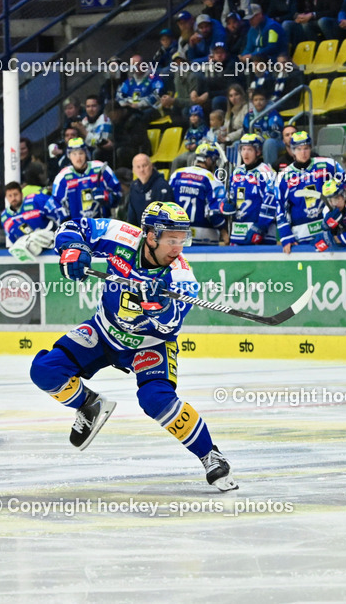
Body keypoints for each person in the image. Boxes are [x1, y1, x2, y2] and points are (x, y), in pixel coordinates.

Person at [31, 202, 237, 491]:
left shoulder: (181, 276)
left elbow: (170, 327)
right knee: (44, 371)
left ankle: (209, 454)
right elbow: (73, 227)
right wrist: (74, 248)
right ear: (151, 236)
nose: (178, 248)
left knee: (155, 400)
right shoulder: (121, 236)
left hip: (149, 345)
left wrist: (159, 307)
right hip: (104, 331)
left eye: (182, 239)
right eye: (171, 239)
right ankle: (88, 405)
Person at [275, 131, 346, 253]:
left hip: (329, 231)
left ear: (310, 148)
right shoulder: (283, 176)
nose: (303, 153)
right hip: (300, 235)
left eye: (306, 148)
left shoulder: (328, 165)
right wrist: (286, 235)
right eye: (299, 149)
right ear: (292, 151)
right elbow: (281, 208)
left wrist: (341, 212)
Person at [169, 143, 230, 246]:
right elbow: (213, 212)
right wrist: (225, 234)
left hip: (178, 235)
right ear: (209, 160)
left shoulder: (176, 175)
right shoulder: (212, 180)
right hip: (204, 236)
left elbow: (167, 202)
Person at [52, 138, 123, 222]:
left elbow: (118, 194)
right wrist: (68, 223)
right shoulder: (62, 177)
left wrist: (107, 197)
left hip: (103, 223)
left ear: (86, 153)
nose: (78, 158)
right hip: (78, 226)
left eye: (81, 153)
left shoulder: (101, 168)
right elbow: (56, 203)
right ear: (69, 156)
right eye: (74, 154)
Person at [227, 134, 278, 245]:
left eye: (249, 149)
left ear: (258, 152)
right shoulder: (236, 171)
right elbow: (230, 196)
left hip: (262, 234)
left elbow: (272, 202)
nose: (245, 153)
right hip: (238, 232)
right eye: (243, 149)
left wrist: (261, 226)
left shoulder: (267, 172)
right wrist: (225, 204)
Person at [0, 181, 62, 261]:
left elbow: (56, 210)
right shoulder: (4, 217)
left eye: (15, 194)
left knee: (35, 237)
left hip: (48, 238)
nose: (13, 198)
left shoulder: (34, 200)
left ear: (21, 194)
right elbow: (12, 239)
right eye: (10, 196)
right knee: (22, 243)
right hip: (27, 247)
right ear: (6, 197)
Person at [127, 154, 174, 228]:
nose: (142, 170)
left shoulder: (162, 186)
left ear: (151, 166)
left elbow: (166, 217)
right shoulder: (134, 187)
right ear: (133, 170)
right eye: (138, 167)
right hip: (140, 232)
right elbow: (131, 218)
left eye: (144, 166)